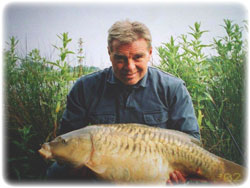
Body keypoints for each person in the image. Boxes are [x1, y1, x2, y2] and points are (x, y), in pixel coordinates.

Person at [47, 20, 200, 184]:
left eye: (138, 57)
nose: (130, 67)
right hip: (101, 174)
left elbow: (191, 140)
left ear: (150, 53)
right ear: (109, 53)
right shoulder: (84, 88)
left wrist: (181, 176)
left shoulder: (173, 88)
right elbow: (69, 139)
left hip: (157, 173)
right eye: (120, 58)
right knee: (56, 173)